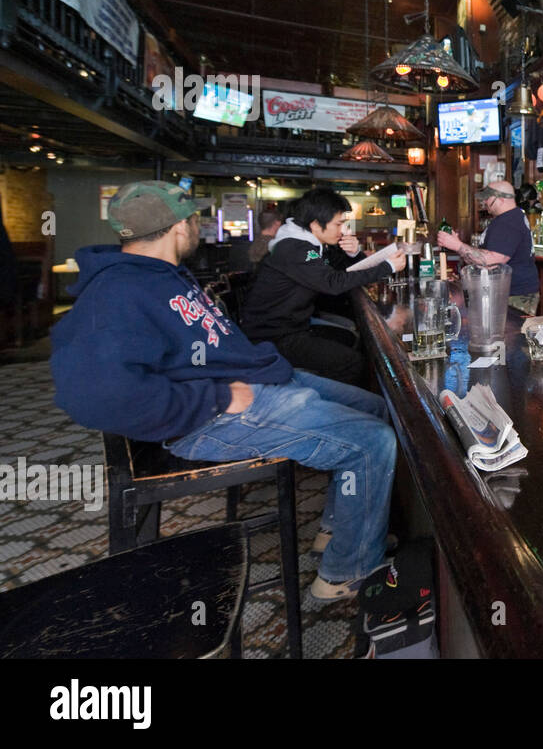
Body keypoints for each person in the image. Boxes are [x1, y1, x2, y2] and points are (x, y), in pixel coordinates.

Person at [49, 181, 401, 601]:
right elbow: (93, 395)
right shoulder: (116, 291)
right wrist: (217, 397)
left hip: (256, 378)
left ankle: (341, 529)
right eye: (195, 219)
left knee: (377, 408)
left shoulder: (162, 274)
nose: (198, 227)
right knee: (372, 441)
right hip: (213, 415)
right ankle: (347, 571)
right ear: (181, 226)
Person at [240, 188, 401, 386]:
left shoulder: (306, 244)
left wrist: (354, 253)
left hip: (292, 326)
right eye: (339, 224)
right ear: (316, 224)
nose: (343, 230)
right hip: (271, 337)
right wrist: (388, 266)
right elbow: (333, 283)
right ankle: (334, 405)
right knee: (351, 361)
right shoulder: (294, 248)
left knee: (349, 338)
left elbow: (337, 271)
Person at [436, 180, 540, 315]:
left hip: (515, 296)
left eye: (487, 198)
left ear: (501, 199)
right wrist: (459, 246)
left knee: (512, 334)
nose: (484, 202)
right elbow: (482, 257)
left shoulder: (509, 222)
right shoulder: (506, 219)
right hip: (507, 293)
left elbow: (492, 261)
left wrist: (457, 245)